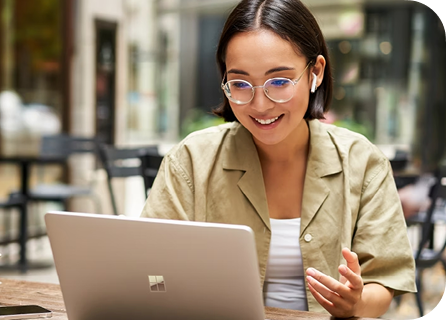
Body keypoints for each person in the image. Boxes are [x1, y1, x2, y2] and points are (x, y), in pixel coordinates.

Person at [141, 0, 416, 318]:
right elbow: (149, 271)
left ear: (316, 72)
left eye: (280, 82)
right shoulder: (190, 161)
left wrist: (356, 302)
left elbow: (383, 281)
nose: (260, 105)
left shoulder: (363, 162)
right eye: (241, 84)